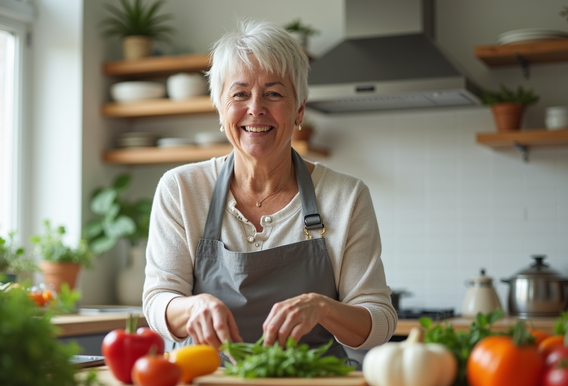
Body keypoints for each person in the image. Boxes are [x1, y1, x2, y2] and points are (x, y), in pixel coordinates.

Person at [142, 19, 397, 358]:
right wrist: (192, 308)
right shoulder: (181, 188)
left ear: (299, 110)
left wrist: (322, 308)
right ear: (220, 109)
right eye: (240, 93)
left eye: (274, 93)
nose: (255, 108)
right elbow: (158, 300)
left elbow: (379, 321)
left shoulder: (345, 197)